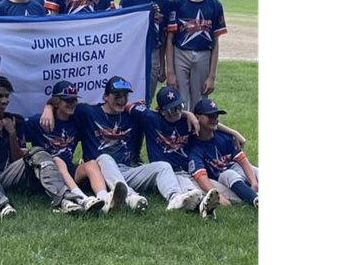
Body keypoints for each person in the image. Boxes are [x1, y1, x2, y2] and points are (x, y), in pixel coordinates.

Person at [39, 76, 205, 214]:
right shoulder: (88, 113)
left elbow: (160, 113)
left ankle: (175, 198)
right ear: (105, 97)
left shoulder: (132, 116)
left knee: (163, 166)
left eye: (124, 96)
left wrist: (187, 113)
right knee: (104, 157)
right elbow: (65, 107)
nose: (121, 99)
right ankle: (130, 197)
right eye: (116, 95)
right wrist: (47, 107)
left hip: (125, 171)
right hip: (100, 172)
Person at [0, 76, 89, 218]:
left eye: (6, 96)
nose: (4, 101)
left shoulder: (15, 121)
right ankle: (1, 203)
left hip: (7, 173)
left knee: (38, 152)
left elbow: (17, 157)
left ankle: (64, 198)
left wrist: (12, 133)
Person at [124, 86, 228, 218]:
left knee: (218, 188)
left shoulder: (186, 121)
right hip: (170, 174)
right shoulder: (150, 118)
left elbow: (210, 124)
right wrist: (133, 105)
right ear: (161, 111)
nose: (178, 111)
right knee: (190, 189)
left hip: (189, 171)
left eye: (180, 106)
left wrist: (235, 133)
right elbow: (125, 107)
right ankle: (203, 207)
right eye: (173, 109)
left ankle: (250, 196)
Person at [26, 81, 116, 213]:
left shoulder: (77, 120)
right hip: (46, 175)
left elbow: (102, 108)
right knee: (57, 160)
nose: (72, 103)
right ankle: (82, 199)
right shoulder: (39, 122)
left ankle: (104, 199)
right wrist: (48, 108)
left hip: (69, 171)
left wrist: (129, 106)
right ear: (56, 102)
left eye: (74, 100)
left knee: (91, 164)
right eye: (67, 100)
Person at [119, 0, 172, 164]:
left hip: (152, 54)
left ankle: (136, 152)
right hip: (132, 54)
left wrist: (163, 66)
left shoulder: (164, 3)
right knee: (124, 100)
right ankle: (122, 148)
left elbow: (164, 36)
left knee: (144, 105)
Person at [165, 0, 227, 110]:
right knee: (180, 100)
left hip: (203, 54)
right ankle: (183, 132)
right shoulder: (177, 3)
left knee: (199, 102)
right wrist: (170, 72)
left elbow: (215, 43)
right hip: (181, 53)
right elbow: (170, 39)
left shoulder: (215, 5)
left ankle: (197, 132)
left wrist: (212, 76)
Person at [188, 98, 259, 213]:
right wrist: (220, 198)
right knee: (228, 174)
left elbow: (243, 161)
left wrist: (254, 182)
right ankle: (255, 199)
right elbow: (201, 178)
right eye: (210, 116)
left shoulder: (224, 137)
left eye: (216, 116)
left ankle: (254, 192)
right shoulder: (195, 149)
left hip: (235, 169)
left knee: (255, 171)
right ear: (197, 118)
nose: (214, 119)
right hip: (220, 178)